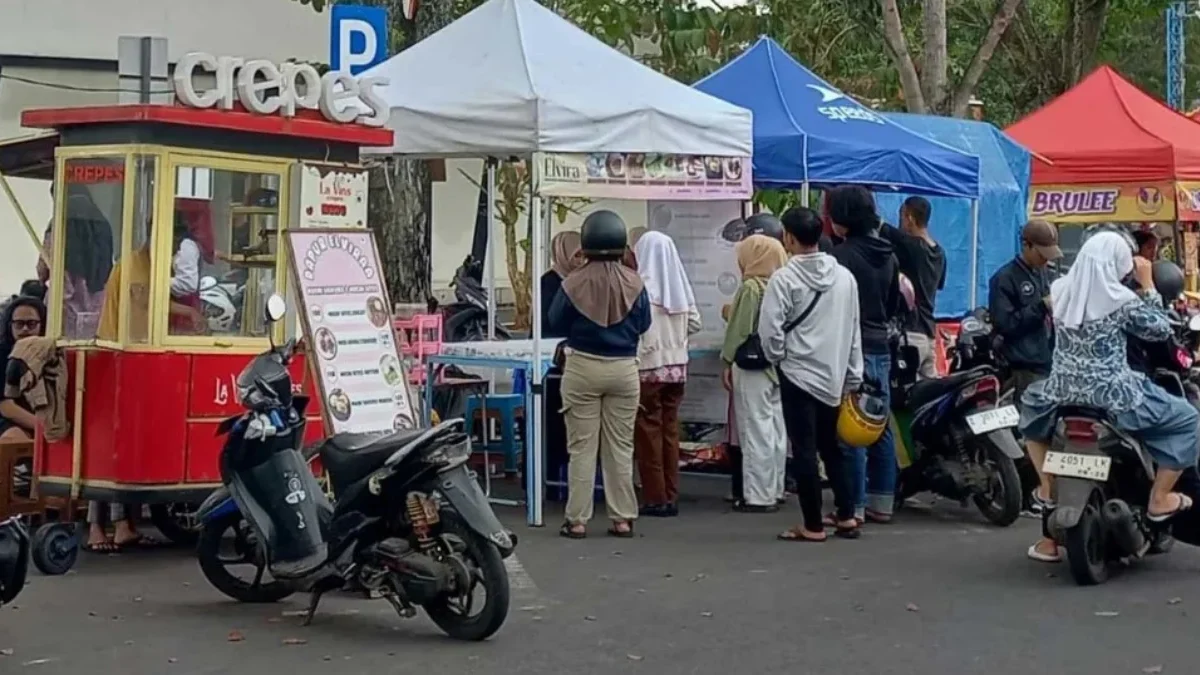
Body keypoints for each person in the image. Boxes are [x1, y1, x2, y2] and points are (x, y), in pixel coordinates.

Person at [1020, 230, 1199, 563]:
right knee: (1188, 418)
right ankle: (1159, 498)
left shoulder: (1059, 291)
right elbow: (1160, 330)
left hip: (1062, 393)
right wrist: (1147, 287)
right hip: (1114, 397)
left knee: (1028, 415)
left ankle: (1046, 487)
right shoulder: (1121, 299)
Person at [760, 207, 863, 541]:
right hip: (833, 373)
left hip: (798, 373)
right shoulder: (845, 277)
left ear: (788, 237)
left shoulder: (784, 279)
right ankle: (847, 515)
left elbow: (770, 331)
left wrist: (779, 358)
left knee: (804, 449)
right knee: (833, 447)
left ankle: (813, 524)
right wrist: (852, 373)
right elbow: (853, 329)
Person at [549, 210, 651, 539]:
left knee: (581, 446)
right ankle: (622, 518)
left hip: (582, 367)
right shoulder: (635, 282)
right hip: (624, 369)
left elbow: (556, 322)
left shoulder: (572, 282)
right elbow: (645, 323)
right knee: (620, 446)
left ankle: (577, 520)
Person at [827, 186, 902, 523]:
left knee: (851, 428)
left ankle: (852, 505)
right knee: (878, 424)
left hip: (851, 346)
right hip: (880, 345)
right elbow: (893, 304)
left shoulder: (841, 258)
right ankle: (882, 502)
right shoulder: (889, 254)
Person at [988, 219, 1060, 513]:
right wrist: (1041, 306)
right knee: (1031, 431)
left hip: (1050, 361)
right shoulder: (1004, 279)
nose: (1045, 259)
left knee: (1052, 430)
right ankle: (1032, 492)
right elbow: (1005, 324)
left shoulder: (1045, 273)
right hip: (1024, 365)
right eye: (1041, 252)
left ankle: (1050, 488)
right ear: (1026, 245)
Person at [633, 231, 701, 517]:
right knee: (670, 431)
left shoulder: (640, 288)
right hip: (677, 368)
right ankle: (671, 494)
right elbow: (695, 323)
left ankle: (655, 497)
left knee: (648, 434)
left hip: (648, 368)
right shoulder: (679, 284)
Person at [721, 234, 789, 513]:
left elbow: (741, 329)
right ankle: (776, 487)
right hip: (776, 364)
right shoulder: (782, 284)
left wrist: (726, 360)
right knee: (775, 429)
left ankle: (758, 495)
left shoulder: (751, 287)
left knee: (754, 429)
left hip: (751, 367)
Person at [879, 197, 945, 379]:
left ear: (909, 218)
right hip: (930, 333)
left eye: (901, 216)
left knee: (903, 395)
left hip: (910, 333)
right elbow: (938, 286)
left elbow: (882, 227)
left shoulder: (912, 246)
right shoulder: (939, 253)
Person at [38, 189, 114, 339]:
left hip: (65, 306)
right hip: (99, 307)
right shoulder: (103, 223)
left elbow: (42, 270)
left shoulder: (58, 222)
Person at [0, 297, 46, 442]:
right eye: (19, 324)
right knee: (13, 438)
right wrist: (42, 427)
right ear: (10, 326)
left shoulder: (52, 355)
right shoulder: (2, 355)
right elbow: (6, 407)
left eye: (31, 324)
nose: (25, 329)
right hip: (10, 420)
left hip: (45, 418)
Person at [540, 231, 583, 338]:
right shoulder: (549, 281)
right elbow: (546, 320)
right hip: (550, 342)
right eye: (577, 255)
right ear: (563, 254)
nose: (582, 260)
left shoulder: (583, 278)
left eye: (584, 255)